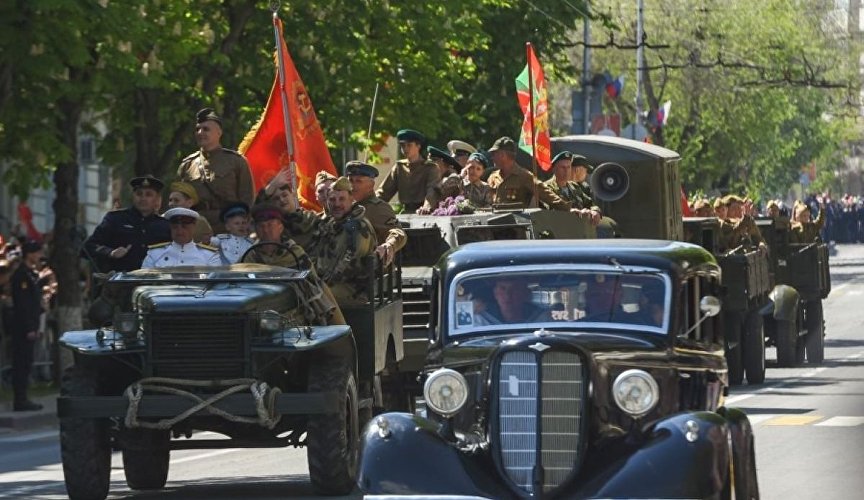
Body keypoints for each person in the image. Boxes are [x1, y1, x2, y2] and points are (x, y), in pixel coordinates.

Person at [243, 203, 344, 325]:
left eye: (270, 225)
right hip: (262, 309)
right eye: (261, 226)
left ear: (280, 227)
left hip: (296, 308)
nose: (266, 230)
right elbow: (240, 279)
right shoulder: (250, 255)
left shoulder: (294, 253)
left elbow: (312, 281)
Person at [283, 177, 378, 305]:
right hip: (331, 282)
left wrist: (316, 283)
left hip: (352, 288)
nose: (337, 204)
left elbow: (345, 265)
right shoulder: (331, 222)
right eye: (332, 199)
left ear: (351, 200)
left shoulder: (357, 226)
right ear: (327, 202)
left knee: (307, 296)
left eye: (342, 199)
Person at [177, 108, 255, 233]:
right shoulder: (187, 165)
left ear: (219, 133)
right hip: (196, 229)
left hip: (228, 229)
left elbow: (247, 200)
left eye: (206, 129)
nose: (200, 132)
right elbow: (178, 201)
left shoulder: (236, 161)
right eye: (197, 129)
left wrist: (241, 228)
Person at [84, 175, 171, 272]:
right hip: (121, 281)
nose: (143, 198)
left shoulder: (164, 225)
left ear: (157, 199)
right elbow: (89, 246)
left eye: (148, 194)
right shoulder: (115, 219)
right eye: (139, 194)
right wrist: (111, 252)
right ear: (133, 196)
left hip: (154, 282)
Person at [485, 136, 572, 211]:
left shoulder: (524, 176)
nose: (492, 158)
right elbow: (486, 201)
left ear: (502, 155)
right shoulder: (493, 177)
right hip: (493, 226)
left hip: (514, 227)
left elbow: (545, 194)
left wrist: (567, 208)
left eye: (494, 154)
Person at [345, 161, 407, 266]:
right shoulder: (345, 205)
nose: (352, 185)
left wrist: (389, 245)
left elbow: (398, 232)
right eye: (350, 180)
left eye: (358, 181)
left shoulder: (378, 208)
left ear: (371, 185)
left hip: (367, 271)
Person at [9, 240, 45, 411]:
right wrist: (30, 328)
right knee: (21, 364)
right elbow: (23, 304)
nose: (40, 256)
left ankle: (24, 398)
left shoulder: (30, 273)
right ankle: (20, 400)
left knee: (27, 363)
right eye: (37, 252)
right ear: (29, 254)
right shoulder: (21, 275)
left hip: (31, 326)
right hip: (23, 328)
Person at [376, 129, 441, 213]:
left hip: (425, 212)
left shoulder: (430, 168)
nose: (405, 148)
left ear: (418, 146)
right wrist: (369, 204)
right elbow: (384, 192)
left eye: (409, 145)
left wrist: (426, 207)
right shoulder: (399, 167)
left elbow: (432, 191)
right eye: (402, 145)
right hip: (406, 212)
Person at [142, 208, 221, 267]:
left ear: (194, 227)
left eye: (185, 227)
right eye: (175, 227)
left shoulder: (209, 255)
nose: (179, 231)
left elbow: (216, 286)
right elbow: (143, 282)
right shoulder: (155, 254)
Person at [543, 151, 601, 224]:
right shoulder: (546, 188)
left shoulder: (574, 186)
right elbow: (546, 212)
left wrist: (595, 211)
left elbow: (589, 203)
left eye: (569, 167)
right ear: (554, 169)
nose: (566, 171)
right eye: (563, 167)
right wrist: (568, 212)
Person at [473, 276, 549, 325]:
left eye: (515, 289)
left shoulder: (542, 318)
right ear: (495, 293)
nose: (507, 295)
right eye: (502, 289)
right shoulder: (481, 318)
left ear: (525, 294)